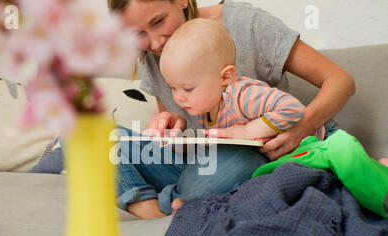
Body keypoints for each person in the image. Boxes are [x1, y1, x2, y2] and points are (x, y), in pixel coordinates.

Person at [108, 0, 356, 219]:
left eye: (159, 21)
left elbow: (340, 80)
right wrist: (175, 126)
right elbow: (187, 147)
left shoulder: (248, 25)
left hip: (256, 154)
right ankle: (148, 205)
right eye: (138, 33)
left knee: (206, 179)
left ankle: (184, 201)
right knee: (87, 134)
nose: (155, 42)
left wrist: (304, 125)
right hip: (202, 162)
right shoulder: (155, 53)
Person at [159, 18, 327, 143]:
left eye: (187, 88)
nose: (179, 97)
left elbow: (294, 108)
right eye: (173, 87)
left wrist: (247, 131)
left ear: (225, 77)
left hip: (317, 141)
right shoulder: (206, 107)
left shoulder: (242, 96)